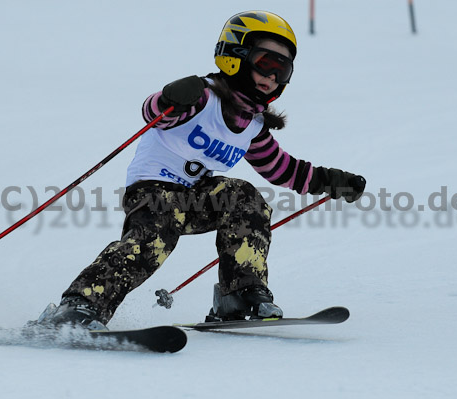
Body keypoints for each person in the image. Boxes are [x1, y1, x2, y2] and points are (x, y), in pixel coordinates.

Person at [34, 11, 366, 329]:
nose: (271, 77)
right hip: (153, 191)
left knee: (245, 198)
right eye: (266, 63)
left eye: (283, 71)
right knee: (155, 235)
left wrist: (331, 181)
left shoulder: (252, 125)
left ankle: (239, 295)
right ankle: (81, 305)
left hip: (194, 198)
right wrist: (169, 98)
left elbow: (283, 170)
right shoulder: (202, 97)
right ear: (236, 54)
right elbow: (153, 111)